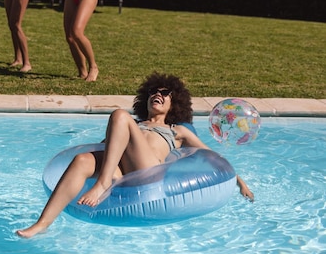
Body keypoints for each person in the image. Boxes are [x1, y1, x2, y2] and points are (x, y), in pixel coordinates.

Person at [16, 72, 254, 238]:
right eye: (153, 92)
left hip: (149, 172)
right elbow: (107, 148)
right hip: (123, 168)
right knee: (82, 160)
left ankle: (102, 184)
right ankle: (42, 224)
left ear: (175, 102)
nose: (157, 94)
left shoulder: (177, 131)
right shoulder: (136, 123)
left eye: (165, 92)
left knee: (120, 115)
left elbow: (214, 159)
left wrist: (240, 183)